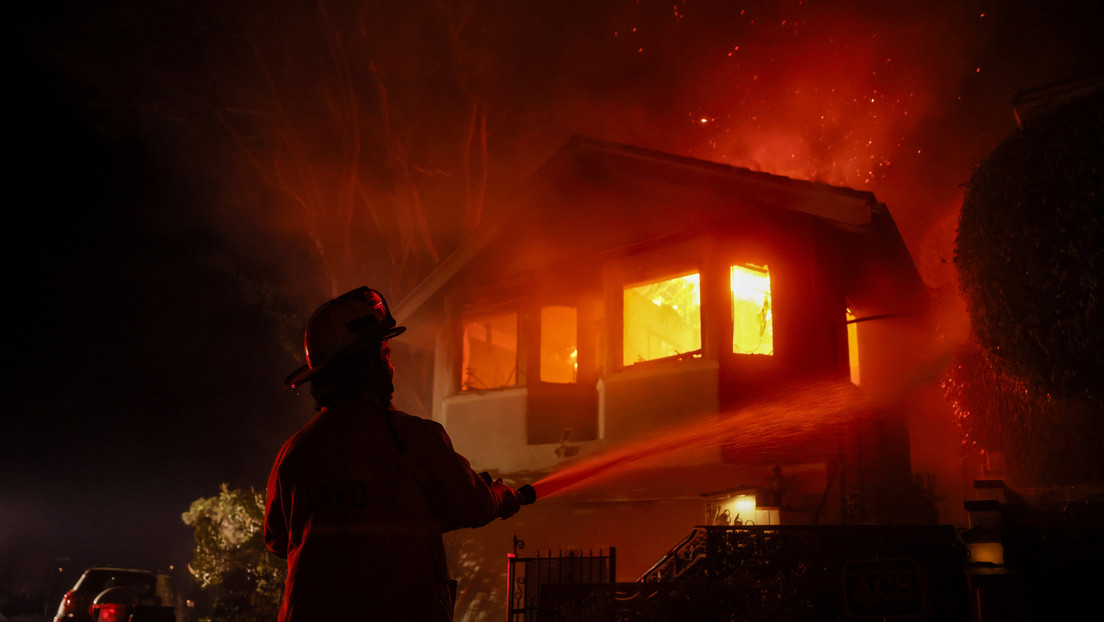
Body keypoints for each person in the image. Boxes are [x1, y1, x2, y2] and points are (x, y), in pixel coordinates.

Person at [264, 286, 523, 621]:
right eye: (385, 354)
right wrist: (502, 495)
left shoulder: (295, 452)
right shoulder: (414, 439)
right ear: (368, 364)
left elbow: (277, 540)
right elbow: (474, 505)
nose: (392, 366)